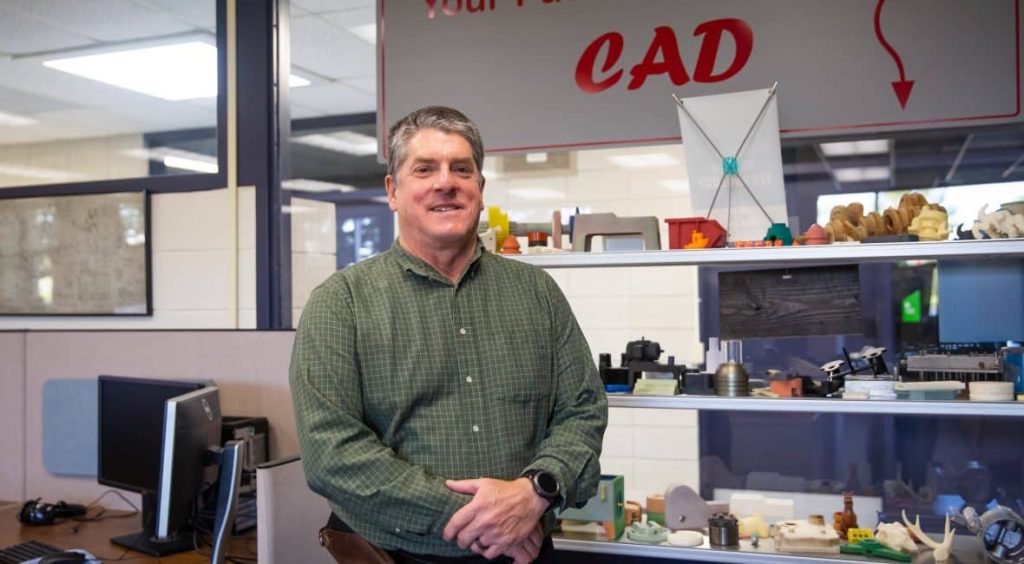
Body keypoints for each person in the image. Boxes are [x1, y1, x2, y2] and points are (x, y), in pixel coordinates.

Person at [289, 105, 608, 564]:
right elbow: (331, 454)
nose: (446, 182)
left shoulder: (537, 293)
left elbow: (582, 409)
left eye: (462, 169)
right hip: (395, 553)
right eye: (424, 169)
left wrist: (536, 490)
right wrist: (495, 520)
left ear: (479, 188)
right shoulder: (341, 304)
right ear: (393, 191)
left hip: (524, 552)